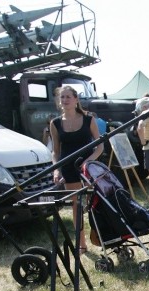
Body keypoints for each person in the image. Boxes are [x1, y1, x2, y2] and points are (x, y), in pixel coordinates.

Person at [49, 85, 102, 252]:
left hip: (88, 169)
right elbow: (55, 151)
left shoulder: (88, 119)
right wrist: (56, 170)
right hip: (68, 169)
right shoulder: (55, 123)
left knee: (94, 203)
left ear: (76, 99)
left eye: (68, 97)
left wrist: (88, 162)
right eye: (62, 97)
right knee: (76, 206)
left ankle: (101, 238)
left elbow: (100, 146)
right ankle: (82, 243)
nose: (64, 100)